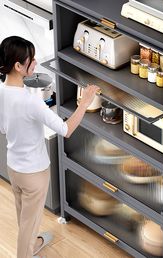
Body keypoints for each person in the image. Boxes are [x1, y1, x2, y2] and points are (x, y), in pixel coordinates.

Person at [0, 36, 99, 258]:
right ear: (18, 66)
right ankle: (26, 253)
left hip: (14, 168)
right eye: (31, 60)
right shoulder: (30, 101)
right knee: (28, 222)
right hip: (34, 173)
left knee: (25, 216)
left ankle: (33, 244)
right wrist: (84, 103)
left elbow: (4, 129)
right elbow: (65, 130)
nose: (34, 63)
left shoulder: (2, 93)